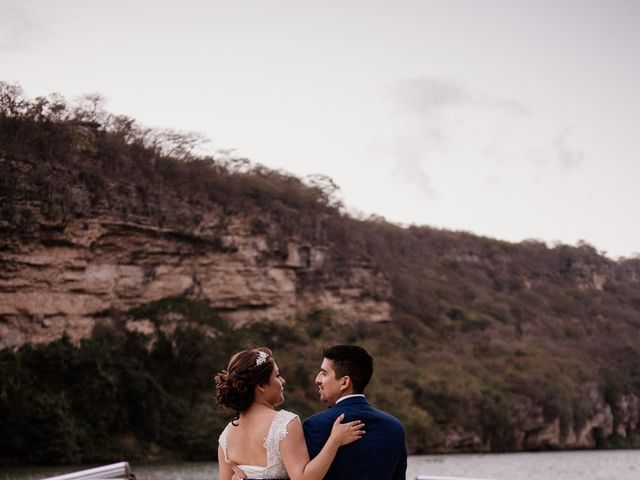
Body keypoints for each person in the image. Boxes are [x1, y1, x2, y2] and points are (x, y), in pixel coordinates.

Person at [215, 347, 365, 480]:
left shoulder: (226, 437)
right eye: (277, 375)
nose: (283, 381)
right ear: (261, 385)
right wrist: (334, 441)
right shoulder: (284, 423)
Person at [303, 344, 407, 480]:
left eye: (324, 373)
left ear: (345, 382)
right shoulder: (395, 427)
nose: (318, 380)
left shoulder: (315, 425)